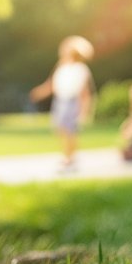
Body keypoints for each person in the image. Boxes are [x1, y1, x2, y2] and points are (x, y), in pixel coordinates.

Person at [29, 36, 95, 170]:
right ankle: (68, 155)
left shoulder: (81, 69)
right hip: (60, 101)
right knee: (60, 129)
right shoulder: (61, 66)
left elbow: (85, 92)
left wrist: (85, 110)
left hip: (72, 101)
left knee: (70, 130)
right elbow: (52, 84)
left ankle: (70, 157)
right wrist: (40, 92)